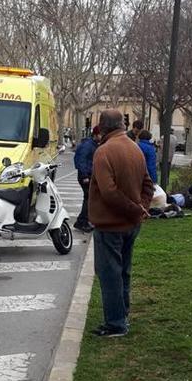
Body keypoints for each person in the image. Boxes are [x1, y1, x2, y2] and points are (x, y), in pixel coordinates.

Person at [89, 109, 155, 338]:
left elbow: (108, 192)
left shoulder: (103, 152)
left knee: (109, 275)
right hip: (131, 225)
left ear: (103, 127)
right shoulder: (134, 148)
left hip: (110, 225)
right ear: (121, 125)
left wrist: (134, 209)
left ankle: (116, 324)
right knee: (123, 272)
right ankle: (122, 314)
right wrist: (141, 208)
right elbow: (149, 184)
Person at [73, 126, 101, 233]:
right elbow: (81, 160)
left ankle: (84, 221)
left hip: (88, 174)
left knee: (89, 198)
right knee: (88, 199)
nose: (102, 137)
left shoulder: (92, 144)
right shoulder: (88, 145)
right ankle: (81, 222)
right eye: (100, 135)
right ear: (95, 134)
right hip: (86, 176)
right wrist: (84, 175)